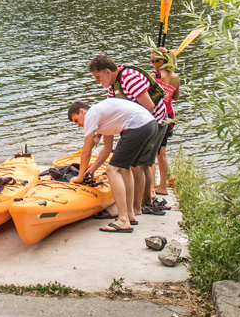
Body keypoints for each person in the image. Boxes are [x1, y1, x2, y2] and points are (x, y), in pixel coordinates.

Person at [67, 99, 166, 233]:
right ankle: (130, 215)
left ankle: (123, 220)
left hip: (138, 125)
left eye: (76, 120)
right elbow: (107, 149)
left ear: (81, 112)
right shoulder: (103, 117)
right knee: (125, 168)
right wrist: (93, 169)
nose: (78, 125)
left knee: (112, 169)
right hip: (150, 125)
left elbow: (86, 151)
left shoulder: (91, 114)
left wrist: (79, 177)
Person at [88, 54, 168, 216]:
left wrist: (135, 131)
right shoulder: (113, 86)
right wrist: (98, 135)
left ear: (108, 72)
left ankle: (139, 205)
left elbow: (149, 107)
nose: (97, 81)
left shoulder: (130, 79)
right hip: (142, 124)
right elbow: (111, 111)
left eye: (98, 77)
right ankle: (142, 203)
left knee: (138, 164)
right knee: (140, 164)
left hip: (155, 121)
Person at [150, 47, 180, 199]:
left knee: (151, 153)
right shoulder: (175, 77)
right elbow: (175, 97)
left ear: (161, 62)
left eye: (154, 61)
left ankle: (151, 187)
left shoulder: (154, 76)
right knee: (162, 154)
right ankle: (163, 187)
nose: (152, 64)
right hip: (169, 117)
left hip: (157, 116)